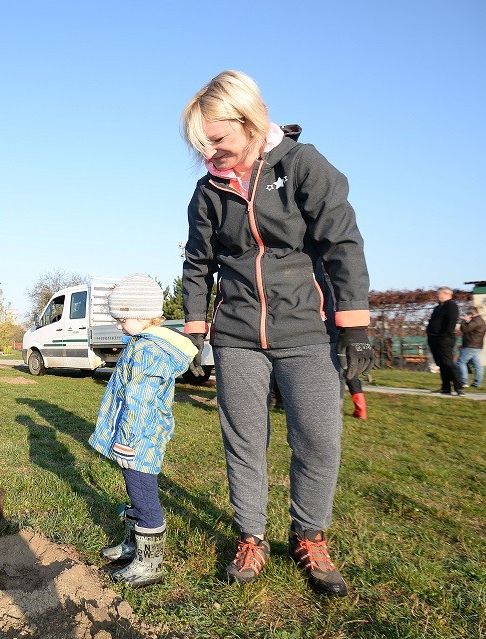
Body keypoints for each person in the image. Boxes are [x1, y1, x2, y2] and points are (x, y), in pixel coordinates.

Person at [180, 70, 374, 597]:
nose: (209, 154)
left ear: (249, 121)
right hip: (238, 335)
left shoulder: (302, 165)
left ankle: (309, 535)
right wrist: (196, 331)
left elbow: (342, 243)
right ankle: (252, 536)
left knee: (317, 438)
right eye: (200, 145)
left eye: (216, 141)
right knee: (244, 441)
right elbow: (198, 264)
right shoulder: (207, 193)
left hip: (307, 332)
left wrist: (354, 325)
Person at [89, 274, 198, 588]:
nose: (120, 326)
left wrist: (126, 440)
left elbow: (140, 400)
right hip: (137, 439)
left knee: (145, 499)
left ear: (143, 316)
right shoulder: (142, 343)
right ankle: (134, 545)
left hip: (139, 441)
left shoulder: (149, 352)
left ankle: (149, 565)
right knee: (135, 494)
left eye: (123, 319)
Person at [427, 287, 465, 396]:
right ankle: (446, 387)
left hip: (444, 339)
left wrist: (444, 335)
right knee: (441, 363)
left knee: (448, 363)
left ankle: (459, 387)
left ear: (446, 294)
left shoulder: (451, 306)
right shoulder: (438, 307)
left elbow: (451, 321)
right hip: (433, 338)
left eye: (439, 294)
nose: (437, 296)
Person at [457, 306, 486, 389]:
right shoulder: (480, 320)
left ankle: (464, 382)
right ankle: (477, 383)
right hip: (477, 346)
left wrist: (463, 321)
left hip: (470, 346)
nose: (466, 315)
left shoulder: (475, 322)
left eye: (468, 314)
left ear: (471, 314)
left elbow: (465, 329)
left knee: (461, 363)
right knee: (477, 365)